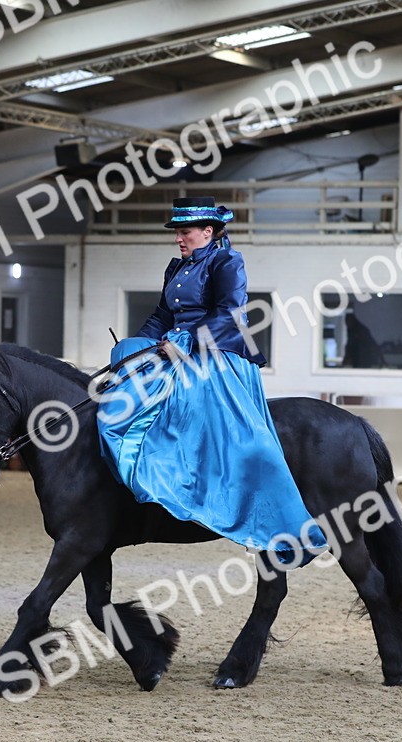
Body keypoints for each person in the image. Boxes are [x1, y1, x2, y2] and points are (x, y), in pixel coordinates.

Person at [97, 196, 327, 567]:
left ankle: (253, 497)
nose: (178, 239)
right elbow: (161, 317)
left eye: (185, 232)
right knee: (126, 376)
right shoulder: (176, 267)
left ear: (208, 231)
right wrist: (138, 348)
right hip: (177, 350)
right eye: (176, 232)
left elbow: (230, 314)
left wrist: (186, 340)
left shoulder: (227, 262)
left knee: (215, 421)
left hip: (217, 353)